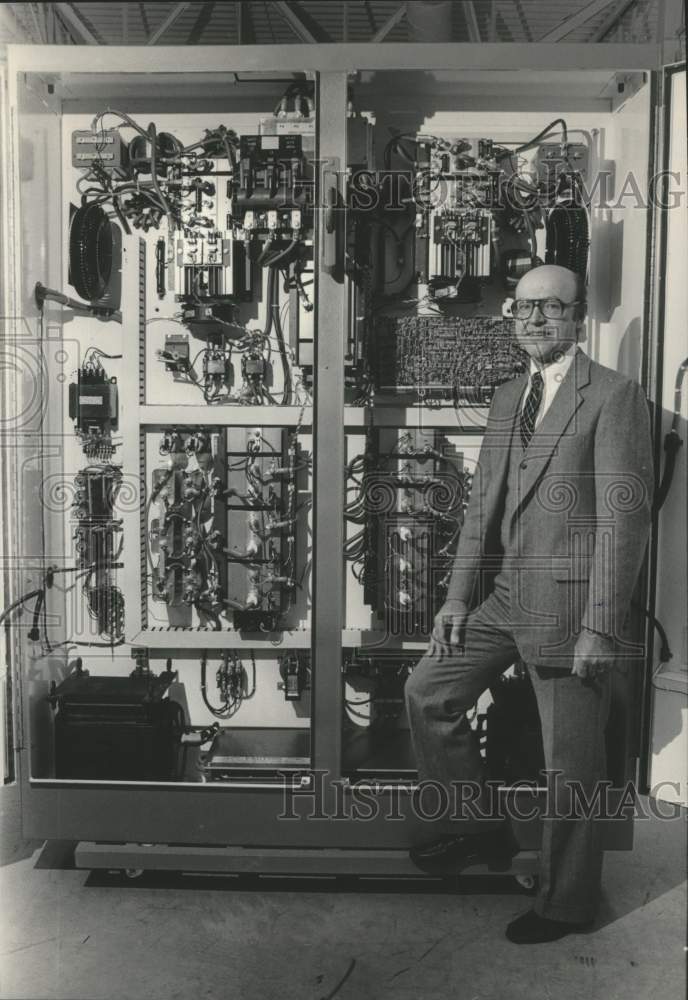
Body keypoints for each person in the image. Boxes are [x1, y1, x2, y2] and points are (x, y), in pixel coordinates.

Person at [404, 264, 654, 944]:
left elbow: (623, 525)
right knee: (428, 690)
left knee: (570, 766)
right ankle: (474, 821)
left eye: (553, 308)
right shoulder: (509, 394)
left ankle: (565, 904)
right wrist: (457, 597)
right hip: (508, 598)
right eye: (525, 308)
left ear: (579, 317)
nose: (536, 319)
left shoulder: (613, 397)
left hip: (573, 613)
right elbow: (482, 506)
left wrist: (600, 629)